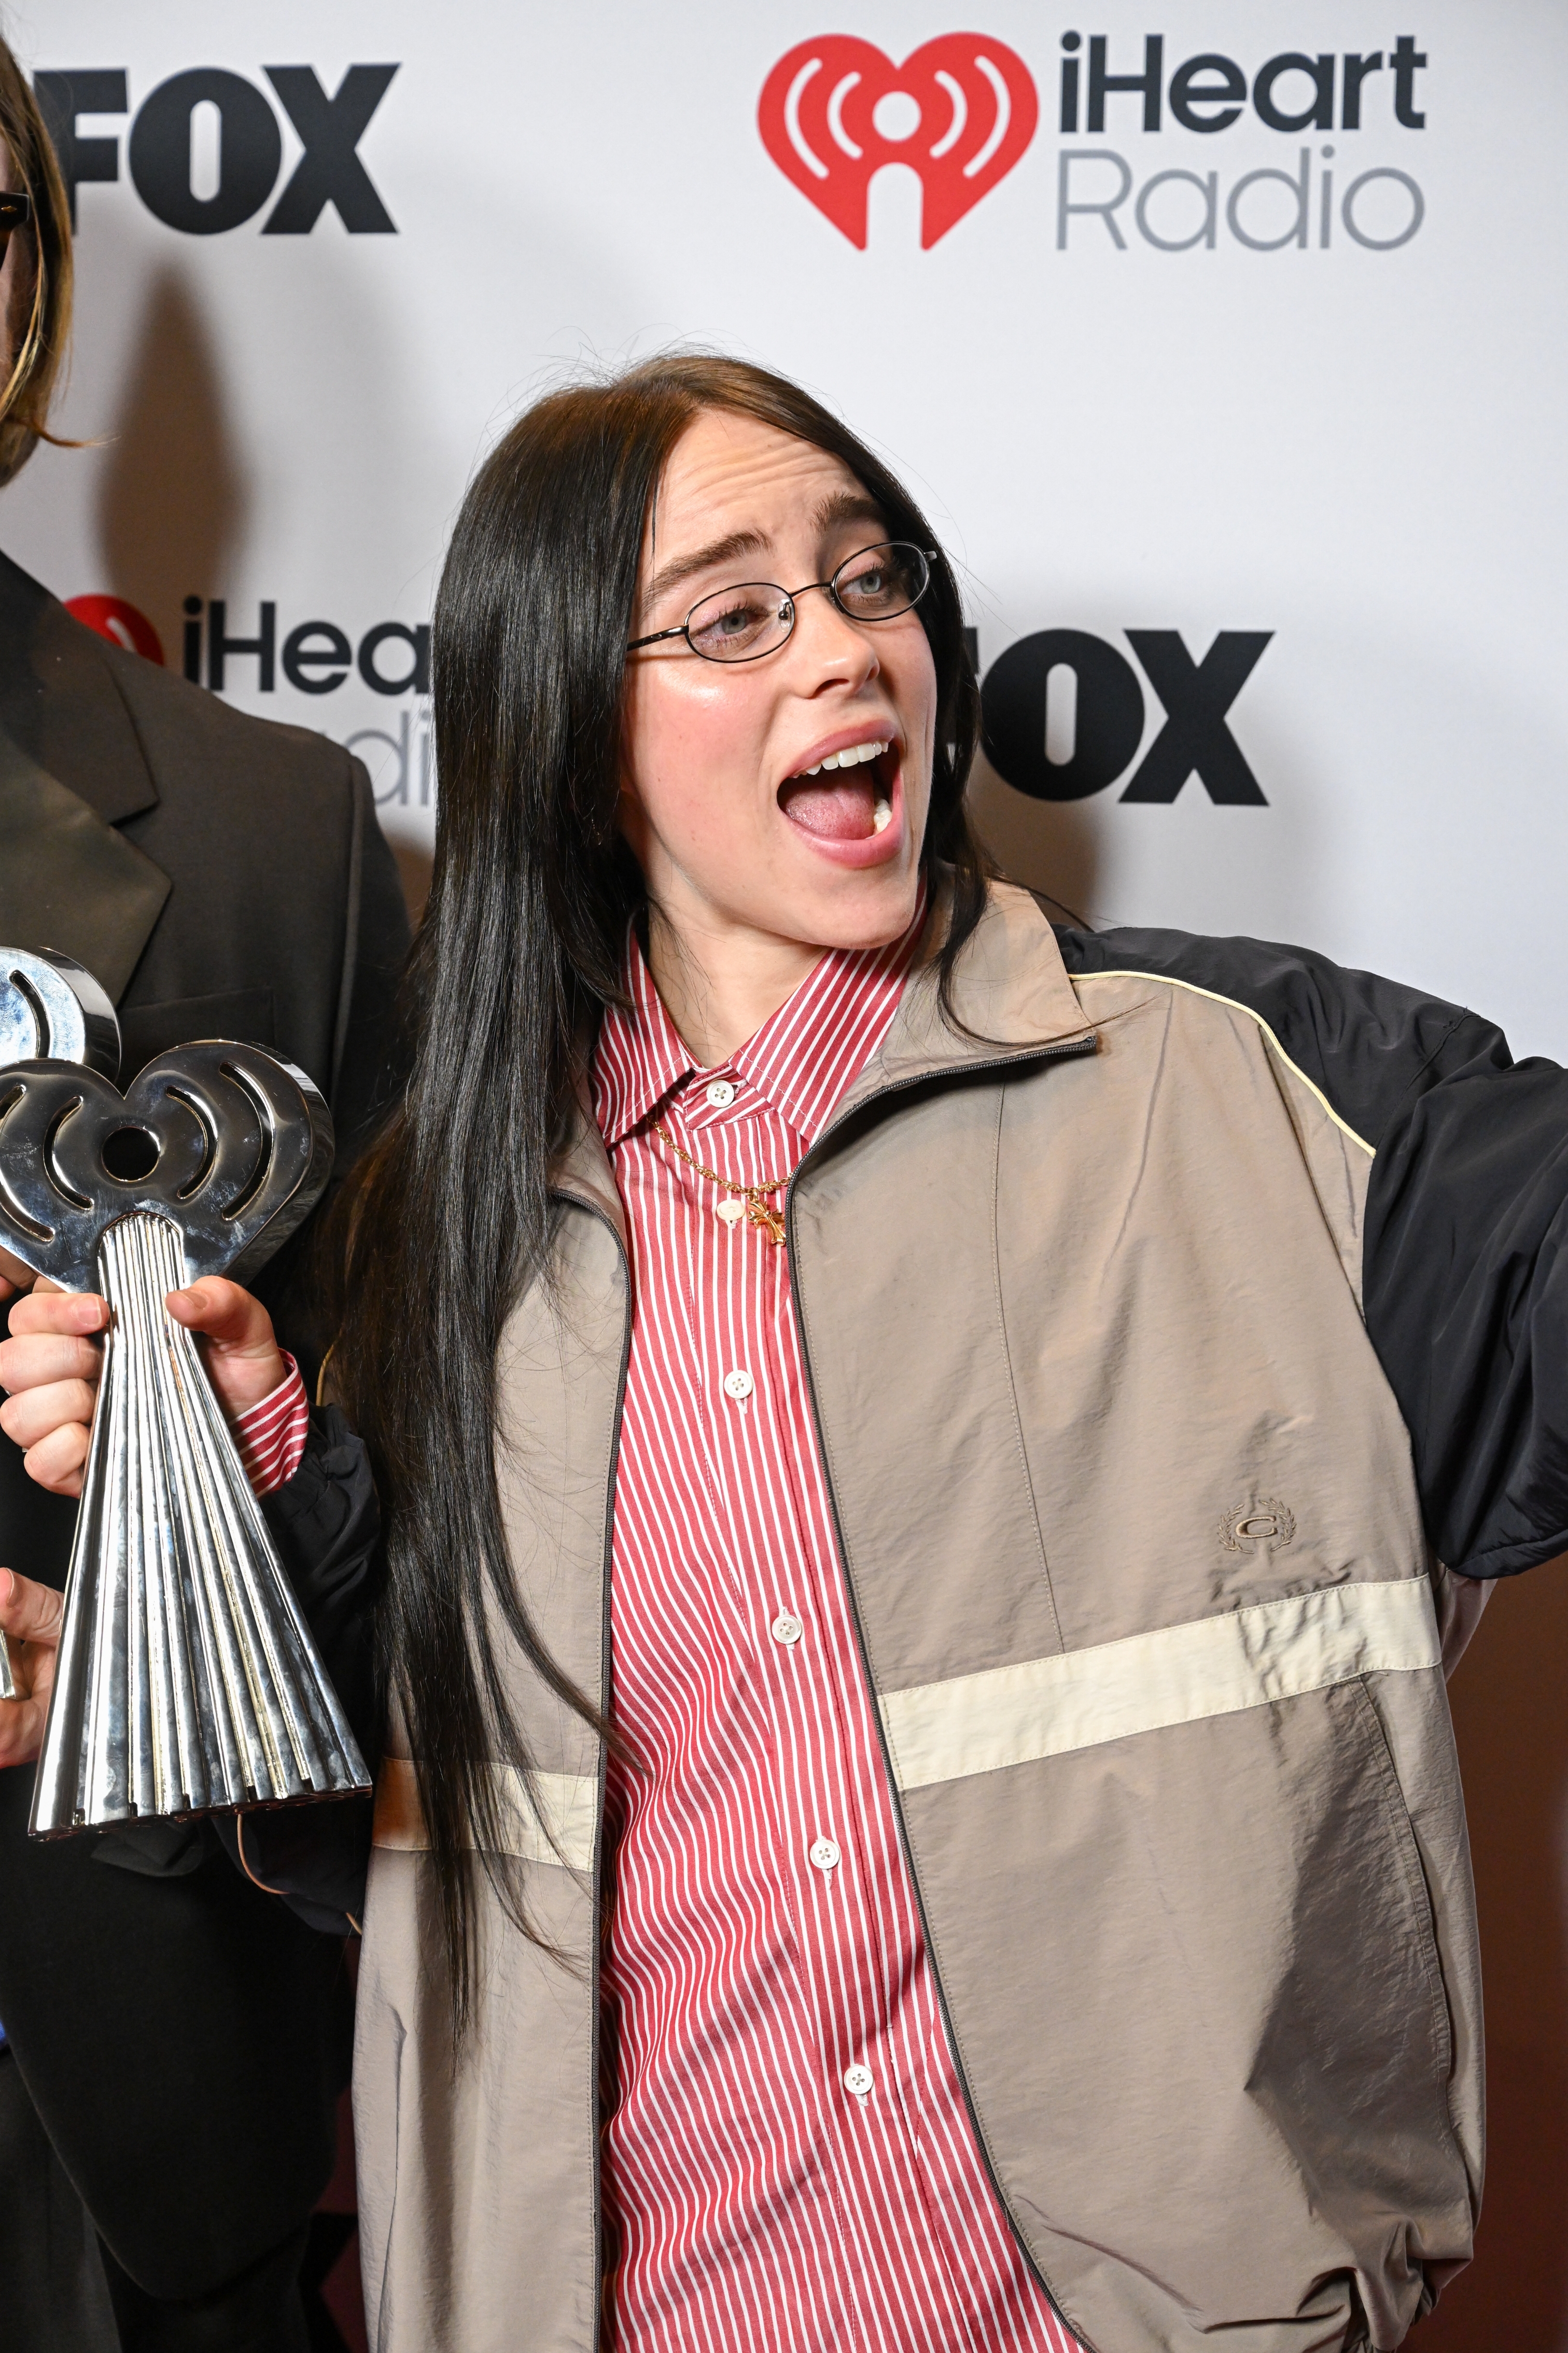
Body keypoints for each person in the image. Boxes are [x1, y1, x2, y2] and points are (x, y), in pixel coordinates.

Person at [5, 350, 1566, 2353]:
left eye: (869, 580)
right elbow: (372, 1847)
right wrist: (245, 1494)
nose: (845, 645)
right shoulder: (435, 1231)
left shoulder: (1253, 1088)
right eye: (738, 612)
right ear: (574, 736)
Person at [0, 35, 410, 2353]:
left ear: (27, 292)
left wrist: (141, 1640)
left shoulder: (275, 839)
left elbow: (422, 1542)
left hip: (119, 2128)